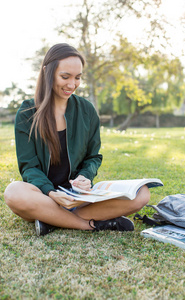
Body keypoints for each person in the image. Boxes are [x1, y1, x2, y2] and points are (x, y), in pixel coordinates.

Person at [4, 43, 150, 236]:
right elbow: (28, 167)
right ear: (47, 72)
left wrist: (85, 177)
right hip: (43, 197)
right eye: (65, 77)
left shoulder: (87, 110)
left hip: (79, 198)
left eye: (78, 78)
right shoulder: (27, 112)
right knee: (13, 192)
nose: (72, 85)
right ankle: (90, 224)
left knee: (142, 194)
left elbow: (93, 157)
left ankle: (53, 221)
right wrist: (51, 192)